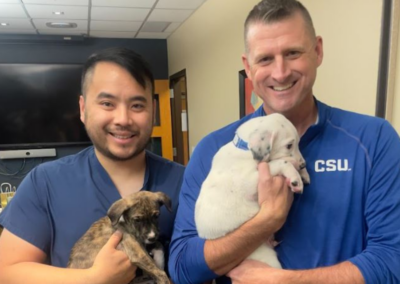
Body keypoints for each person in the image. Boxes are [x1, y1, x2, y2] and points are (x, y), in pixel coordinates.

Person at [168, 0, 400, 283]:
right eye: (265, 59)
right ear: (248, 67)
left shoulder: (374, 139)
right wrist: (266, 221)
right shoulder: (213, 149)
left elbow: (392, 260)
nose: (280, 72)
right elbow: (181, 268)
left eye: (292, 53)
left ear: (317, 51)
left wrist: (285, 281)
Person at [0, 47, 185, 284]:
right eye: (107, 103)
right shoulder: (44, 183)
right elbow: (6, 272)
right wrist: (92, 278)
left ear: (153, 110)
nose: (123, 119)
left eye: (137, 105)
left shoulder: (184, 181)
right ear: (83, 108)